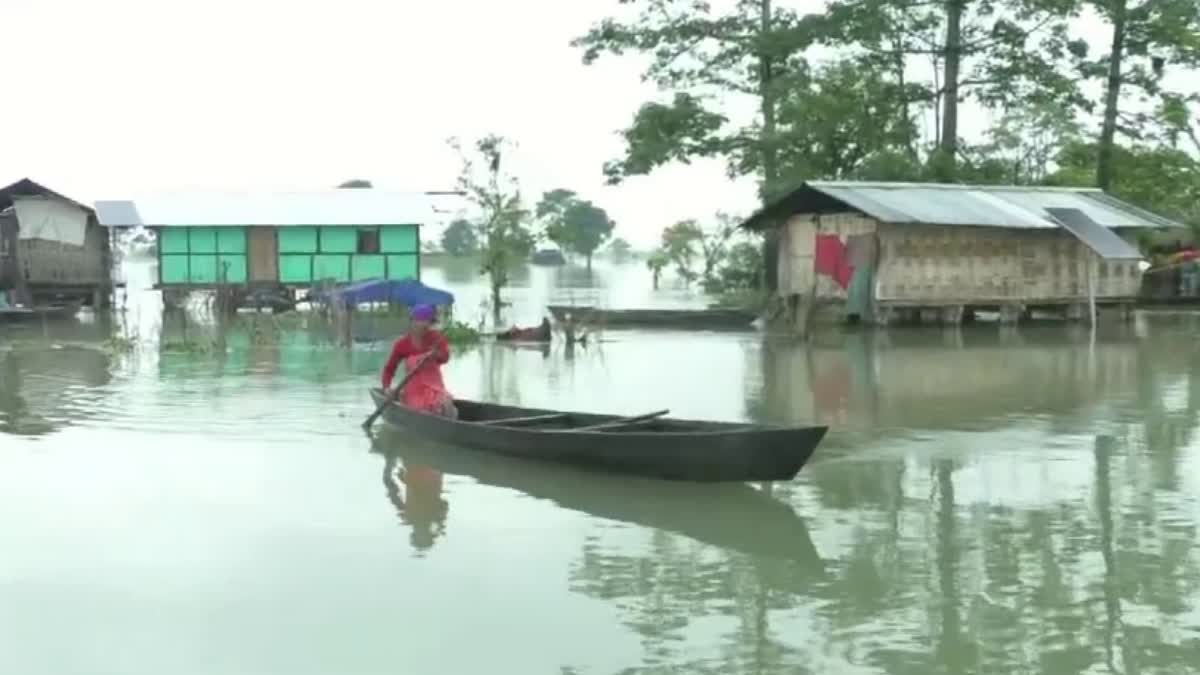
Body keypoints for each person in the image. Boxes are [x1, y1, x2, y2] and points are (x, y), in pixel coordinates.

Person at [380, 304, 457, 418]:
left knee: (446, 404)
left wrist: (436, 354)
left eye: (428, 322)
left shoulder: (436, 338)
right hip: (414, 390)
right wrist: (386, 388)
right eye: (421, 321)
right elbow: (389, 369)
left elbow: (445, 358)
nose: (424, 325)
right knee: (423, 412)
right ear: (412, 322)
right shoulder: (402, 344)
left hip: (435, 386)